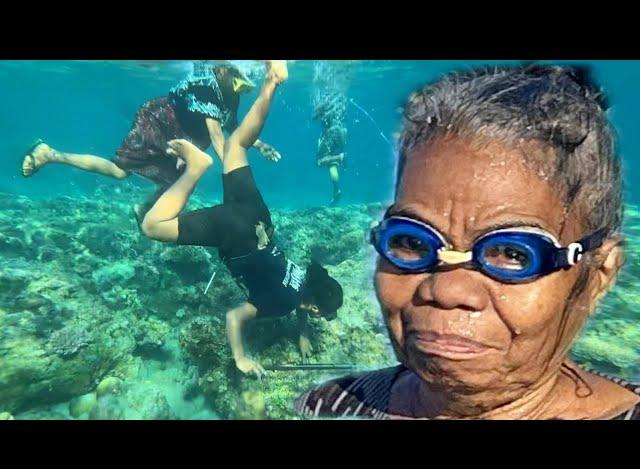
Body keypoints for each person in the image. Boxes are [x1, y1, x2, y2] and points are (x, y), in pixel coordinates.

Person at [295, 64, 640, 419]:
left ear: (599, 275)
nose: (446, 290)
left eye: (512, 253)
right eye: (412, 242)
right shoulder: (327, 406)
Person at [139, 61, 344, 377]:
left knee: (236, 144)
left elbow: (301, 302)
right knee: (153, 226)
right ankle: (195, 168)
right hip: (235, 236)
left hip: (258, 216)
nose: (314, 316)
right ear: (314, 307)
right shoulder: (285, 304)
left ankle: (272, 82)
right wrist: (241, 358)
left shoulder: (305, 277)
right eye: (318, 315)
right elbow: (234, 317)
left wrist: (302, 333)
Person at [20, 61, 281, 218]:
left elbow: (230, 125)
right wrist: (235, 179)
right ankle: (50, 154)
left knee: (178, 182)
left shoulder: (230, 94)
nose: (241, 85)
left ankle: (142, 208)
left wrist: (259, 145)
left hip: (184, 135)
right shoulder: (206, 85)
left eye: (244, 82)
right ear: (222, 70)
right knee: (121, 171)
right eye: (237, 77)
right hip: (159, 123)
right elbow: (216, 135)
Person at [312, 61, 354, 205]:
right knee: (332, 162)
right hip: (343, 131)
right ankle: (336, 191)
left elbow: (315, 116)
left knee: (320, 161)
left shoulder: (325, 99)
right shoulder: (341, 97)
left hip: (330, 133)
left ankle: (340, 157)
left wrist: (316, 108)